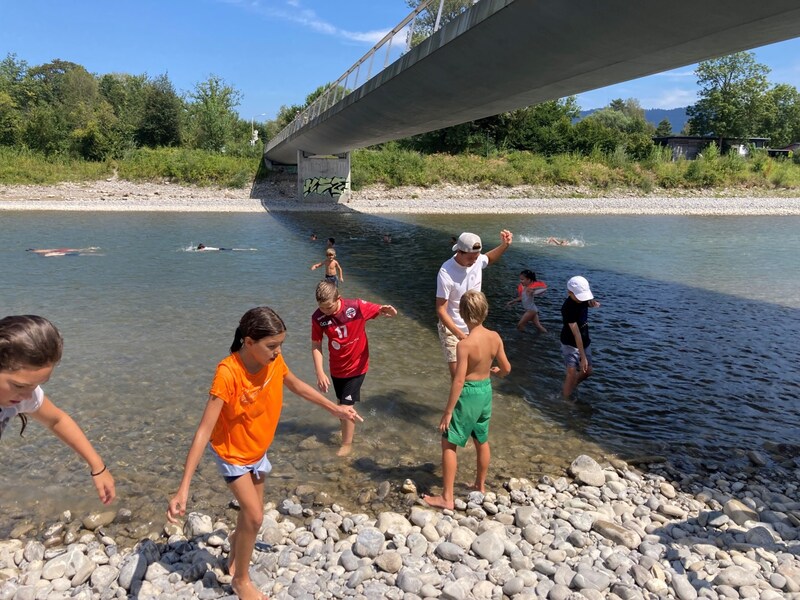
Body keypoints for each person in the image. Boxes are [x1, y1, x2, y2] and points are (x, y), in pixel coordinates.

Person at [167, 306, 361, 600]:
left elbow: (297, 386)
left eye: (280, 344)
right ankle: (241, 582)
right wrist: (183, 489)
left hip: (258, 449)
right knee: (255, 517)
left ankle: (237, 542)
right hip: (232, 454)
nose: (277, 351)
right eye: (272, 346)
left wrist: (335, 409)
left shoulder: (274, 361)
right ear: (248, 342)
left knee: (249, 519)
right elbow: (203, 431)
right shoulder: (228, 373)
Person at [0, 315, 115, 505]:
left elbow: (57, 420)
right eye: (19, 386)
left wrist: (98, 466)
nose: (29, 396)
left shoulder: (19, 396)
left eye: (37, 385)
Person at [423, 291, 510, 510]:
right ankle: (480, 486)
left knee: (449, 442)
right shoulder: (495, 337)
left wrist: (449, 411)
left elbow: (459, 380)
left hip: (469, 393)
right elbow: (507, 368)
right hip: (485, 391)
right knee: (481, 439)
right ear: (485, 311)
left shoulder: (464, 345)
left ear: (462, 314)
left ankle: (447, 497)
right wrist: (497, 372)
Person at [311, 281, 397, 456]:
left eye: (329, 307)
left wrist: (384, 309)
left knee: (346, 404)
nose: (326, 311)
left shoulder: (355, 307)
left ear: (339, 298)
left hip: (357, 366)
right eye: (322, 308)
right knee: (341, 403)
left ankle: (347, 444)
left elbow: (377, 309)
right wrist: (320, 372)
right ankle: (346, 430)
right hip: (336, 367)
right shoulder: (318, 317)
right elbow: (316, 345)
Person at [436, 230, 513, 378]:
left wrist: (504, 245)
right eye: (471, 258)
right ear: (460, 252)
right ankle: (458, 400)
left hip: (474, 327)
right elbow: (440, 309)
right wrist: (459, 334)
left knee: (474, 375)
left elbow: (488, 259)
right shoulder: (446, 272)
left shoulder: (477, 260)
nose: (474, 261)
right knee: (459, 378)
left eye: (476, 257)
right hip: (452, 329)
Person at [560, 275, 601, 398]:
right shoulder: (567, 308)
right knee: (571, 373)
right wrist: (582, 357)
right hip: (570, 343)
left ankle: (571, 387)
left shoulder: (582, 300)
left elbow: (586, 302)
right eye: (579, 296)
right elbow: (576, 333)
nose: (581, 299)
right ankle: (565, 401)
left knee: (588, 371)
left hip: (585, 340)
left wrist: (591, 303)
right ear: (569, 292)